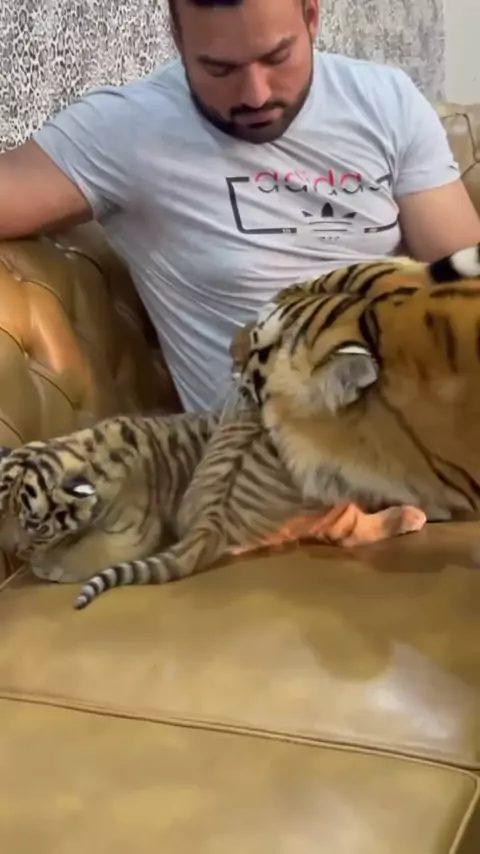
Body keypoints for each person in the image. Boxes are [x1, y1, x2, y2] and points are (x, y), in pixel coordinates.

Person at [1, 0, 479, 411]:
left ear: (312, 17)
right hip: (276, 454)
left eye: (277, 57)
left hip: (422, 418)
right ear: (177, 38)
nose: (256, 95)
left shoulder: (386, 101)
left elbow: (466, 287)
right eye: (220, 69)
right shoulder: (127, 130)